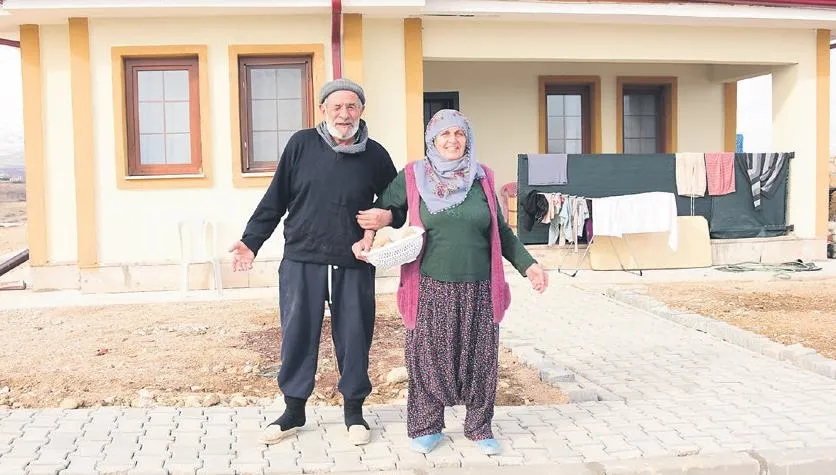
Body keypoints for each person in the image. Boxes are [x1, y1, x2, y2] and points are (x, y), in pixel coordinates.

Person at [353, 109, 549, 456]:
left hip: (480, 286)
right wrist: (368, 237)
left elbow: (501, 232)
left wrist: (528, 265)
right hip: (430, 284)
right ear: (432, 139)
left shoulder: (482, 177)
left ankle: (479, 427)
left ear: (468, 139)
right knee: (428, 357)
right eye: (444, 133)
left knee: (480, 359)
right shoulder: (414, 175)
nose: (452, 140)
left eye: (459, 133)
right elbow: (383, 210)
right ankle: (427, 427)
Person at [229, 78, 401, 446]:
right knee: (297, 334)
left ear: (362, 111)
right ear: (322, 109)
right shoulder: (301, 145)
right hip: (302, 259)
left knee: (355, 336)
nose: (344, 114)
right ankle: (293, 411)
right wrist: (250, 241)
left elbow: (397, 202)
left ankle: (354, 411)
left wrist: (384, 217)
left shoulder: (375, 155)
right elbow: (275, 199)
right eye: (336, 106)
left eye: (351, 106)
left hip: (353, 261)